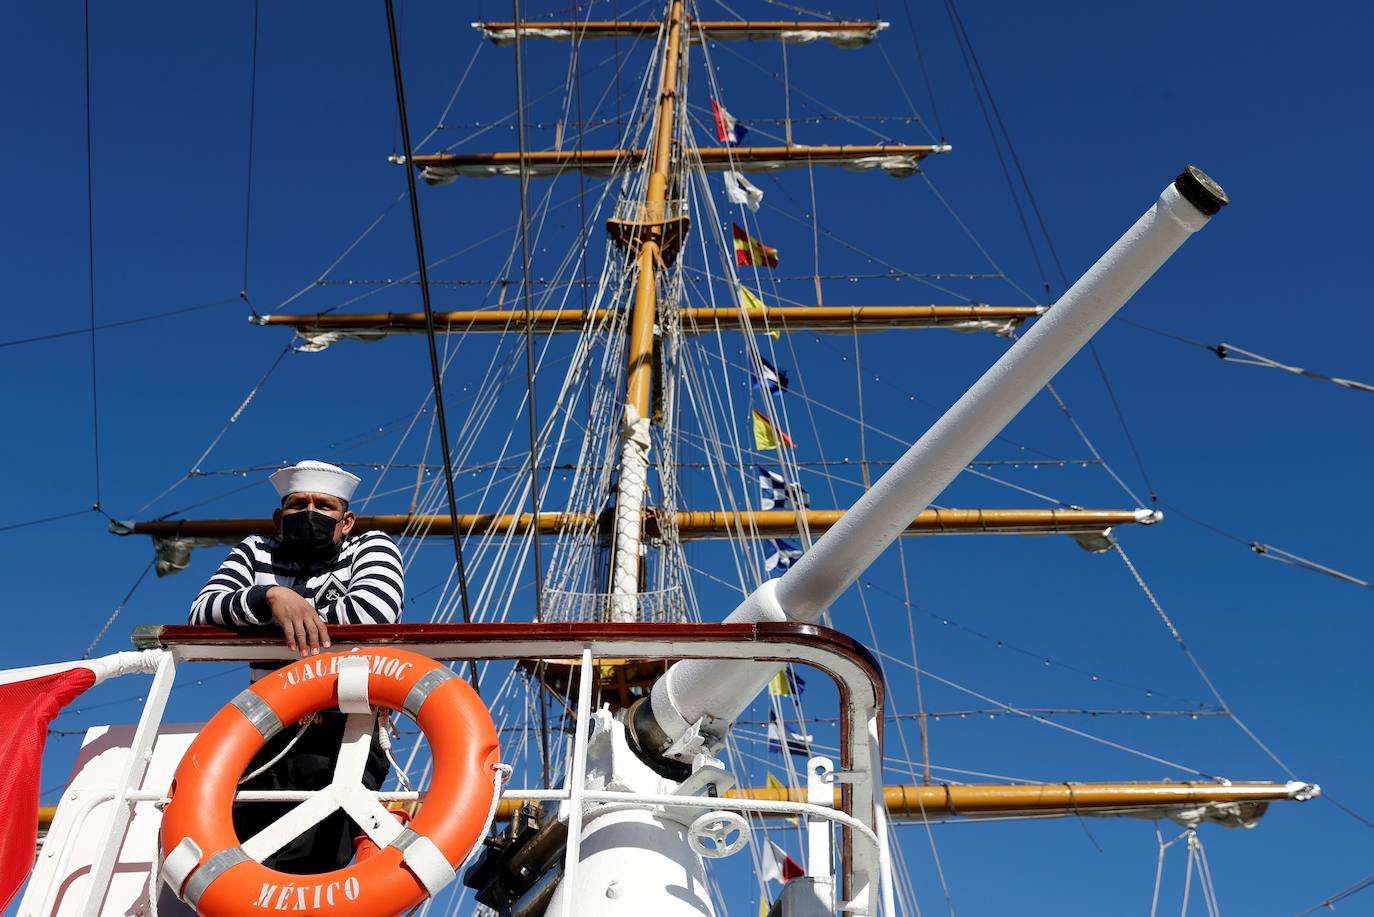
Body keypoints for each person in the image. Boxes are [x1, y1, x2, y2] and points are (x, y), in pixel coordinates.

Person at [189, 460, 405, 874]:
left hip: (344, 735)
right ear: (279, 517)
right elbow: (202, 612)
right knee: (248, 858)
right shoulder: (256, 551)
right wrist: (271, 596)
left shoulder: (372, 546)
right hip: (263, 737)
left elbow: (372, 614)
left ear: (347, 521)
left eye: (325, 506)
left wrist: (287, 612)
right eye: (298, 505)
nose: (310, 513)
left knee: (321, 863)